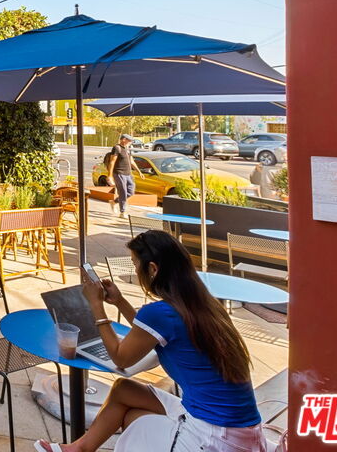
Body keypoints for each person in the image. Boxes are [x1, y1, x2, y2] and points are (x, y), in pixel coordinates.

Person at [34, 230, 268, 452]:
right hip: (241, 430)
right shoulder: (203, 304)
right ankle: (79, 448)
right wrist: (120, 302)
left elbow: (121, 358)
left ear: (153, 268)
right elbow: (152, 330)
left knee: (133, 419)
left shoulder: (162, 312)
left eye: (136, 265)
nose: (136, 271)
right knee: (124, 390)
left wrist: (96, 306)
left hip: (215, 436)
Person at [106, 134, 144, 218]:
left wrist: (139, 172)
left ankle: (114, 202)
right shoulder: (117, 148)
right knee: (123, 192)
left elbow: (132, 162)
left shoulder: (127, 149)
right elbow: (112, 161)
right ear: (123, 139)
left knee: (130, 192)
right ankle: (122, 212)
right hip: (119, 173)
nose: (130, 142)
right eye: (129, 141)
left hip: (128, 174)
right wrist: (110, 175)